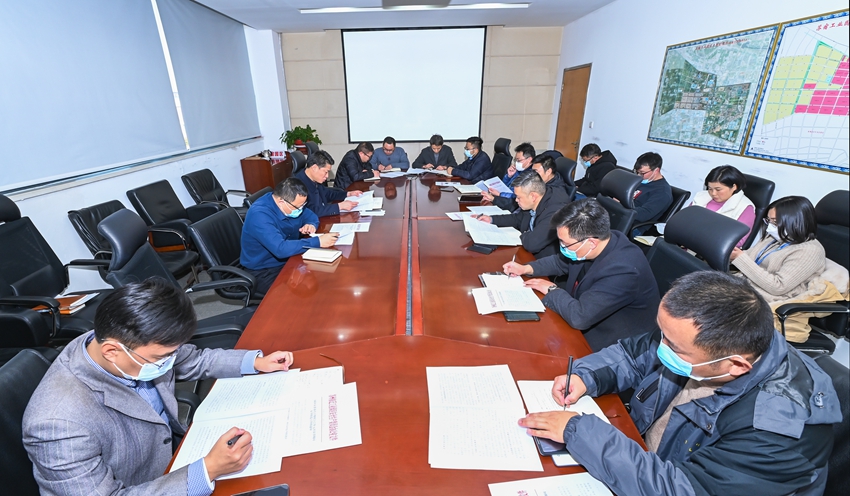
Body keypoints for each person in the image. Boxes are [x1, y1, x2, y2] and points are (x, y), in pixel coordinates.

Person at [519, 271, 840, 496]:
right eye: (662, 333)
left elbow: (684, 489)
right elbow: (633, 355)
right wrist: (586, 375)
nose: (661, 347)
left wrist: (580, 431)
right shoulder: (700, 341)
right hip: (642, 456)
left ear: (736, 365)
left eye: (672, 345)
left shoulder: (778, 431)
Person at [23, 278, 299, 495]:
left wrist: (255, 362)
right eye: (161, 357)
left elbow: (194, 359)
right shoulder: (57, 425)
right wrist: (208, 470)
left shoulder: (122, 342)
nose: (170, 361)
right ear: (111, 352)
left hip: (172, 454)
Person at [503, 198, 659, 351]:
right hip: (584, 317)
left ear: (591, 243)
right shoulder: (598, 241)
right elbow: (560, 262)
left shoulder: (623, 270)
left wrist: (552, 290)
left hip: (611, 344)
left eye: (565, 243)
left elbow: (580, 317)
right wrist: (526, 268)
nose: (561, 247)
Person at [240, 177, 339, 295]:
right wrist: (318, 242)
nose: (301, 209)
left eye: (303, 205)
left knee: (327, 276)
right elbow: (280, 249)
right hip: (264, 270)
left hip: (288, 259)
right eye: (298, 207)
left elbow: (311, 215)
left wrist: (310, 224)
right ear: (282, 202)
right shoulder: (260, 215)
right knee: (293, 299)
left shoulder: (290, 204)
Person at [730, 196, 826, 304]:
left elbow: (778, 287)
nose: (769, 228)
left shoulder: (810, 251)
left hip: (764, 299)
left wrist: (740, 258)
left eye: (775, 223)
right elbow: (750, 255)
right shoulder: (776, 237)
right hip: (746, 285)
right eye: (768, 221)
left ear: (796, 222)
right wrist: (728, 252)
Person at [474, 171, 570, 258]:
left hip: (543, 261)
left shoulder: (555, 212)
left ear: (533, 196)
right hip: (527, 252)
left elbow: (532, 243)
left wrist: (523, 233)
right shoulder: (535, 201)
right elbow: (518, 219)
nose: (516, 200)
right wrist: (491, 219)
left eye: (519, 197)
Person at [689, 165, 755, 247]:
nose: (713, 193)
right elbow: (684, 220)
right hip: (685, 242)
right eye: (710, 188)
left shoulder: (745, 207)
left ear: (734, 187)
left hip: (710, 249)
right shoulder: (701, 197)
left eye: (718, 189)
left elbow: (738, 241)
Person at [295, 150, 362, 218]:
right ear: (314, 168)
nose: (327, 176)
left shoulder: (314, 179)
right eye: (326, 172)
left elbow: (327, 194)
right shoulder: (297, 186)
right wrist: (339, 206)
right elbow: (310, 212)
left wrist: (348, 194)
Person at [480, 142, 535, 211]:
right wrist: (508, 176)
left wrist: (500, 194)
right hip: (503, 200)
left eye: (519, 160)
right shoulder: (519, 170)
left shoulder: (530, 175)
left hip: (512, 205)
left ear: (529, 159)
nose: (516, 163)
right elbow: (504, 186)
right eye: (516, 160)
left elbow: (516, 196)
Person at [631, 152, 673, 235]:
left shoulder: (662, 192)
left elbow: (644, 214)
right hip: (623, 216)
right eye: (637, 172)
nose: (639, 175)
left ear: (656, 170)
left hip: (635, 226)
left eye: (642, 173)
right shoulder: (641, 180)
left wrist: (622, 206)